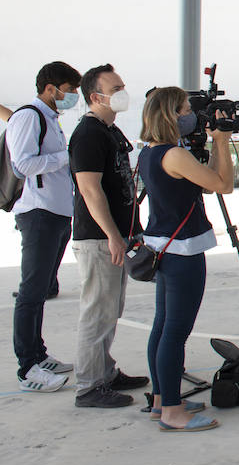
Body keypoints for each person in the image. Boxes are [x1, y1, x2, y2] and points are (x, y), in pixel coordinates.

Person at [140, 86, 235, 430]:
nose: (189, 115)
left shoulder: (151, 152)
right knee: (175, 332)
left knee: (162, 326)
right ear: (169, 115)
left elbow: (207, 183)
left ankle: (160, 399)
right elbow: (224, 185)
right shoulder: (175, 156)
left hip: (163, 248)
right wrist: (222, 141)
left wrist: (215, 144)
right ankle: (171, 412)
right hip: (183, 251)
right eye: (183, 109)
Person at [69, 64, 149, 408]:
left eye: (121, 86)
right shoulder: (88, 134)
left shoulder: (109, 131)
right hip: (100, 238)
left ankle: (105, 370)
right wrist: (113, 235)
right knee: (97, 312)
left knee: (110, 309)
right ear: (95, 96)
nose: (121, 93)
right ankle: (89, 386)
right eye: (114, 88)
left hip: (118, 235)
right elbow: (90, 190)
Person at [8, 61, 81, 392]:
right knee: (31, 291)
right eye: (71, 90)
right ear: (51, 89)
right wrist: (66, 157)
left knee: (39, 293)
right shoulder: (29, 116)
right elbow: (22, 164)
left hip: (56, 212)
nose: (74, 96)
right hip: (38, 213)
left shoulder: (52, 119)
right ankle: (28, 367)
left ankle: (39, 354)